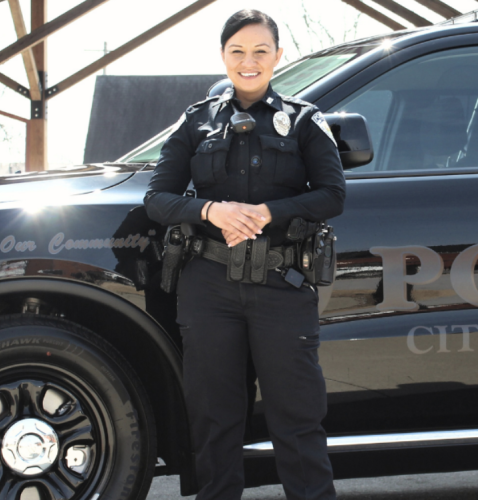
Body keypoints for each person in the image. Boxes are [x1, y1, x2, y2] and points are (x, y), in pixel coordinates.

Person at [144, 9, 345, 500]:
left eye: (260, 51)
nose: (248, 61)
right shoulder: (196, 121)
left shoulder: (303, 120)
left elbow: (332, 194)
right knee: (214, 422)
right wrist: (212, 210)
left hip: (282, 286)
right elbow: (157, 198)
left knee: (297, 420)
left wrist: (264, 212)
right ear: (223, 57)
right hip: (208, 287)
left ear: (278, 57)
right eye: (237, 51)